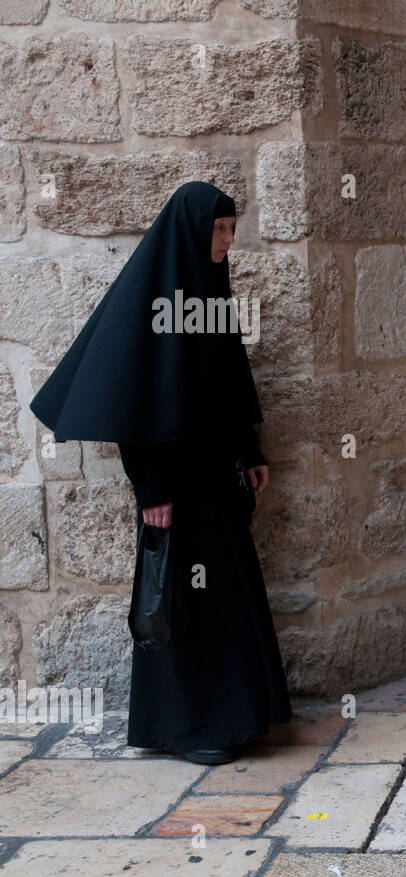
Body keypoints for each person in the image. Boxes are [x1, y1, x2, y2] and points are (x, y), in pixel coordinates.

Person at [30, 181, 291, 765]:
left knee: (224, 597)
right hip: (174, 486)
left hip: (216, 482)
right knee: (183, 600)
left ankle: (236, 718)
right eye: (220, 230)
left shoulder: (209, 296)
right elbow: (134, 401)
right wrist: (153, 489)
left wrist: (249, 452)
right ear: (195, 232)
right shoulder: (154, 303)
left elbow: (225, 385)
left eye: (230, 229)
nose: (227, 240)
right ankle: (190, 728)